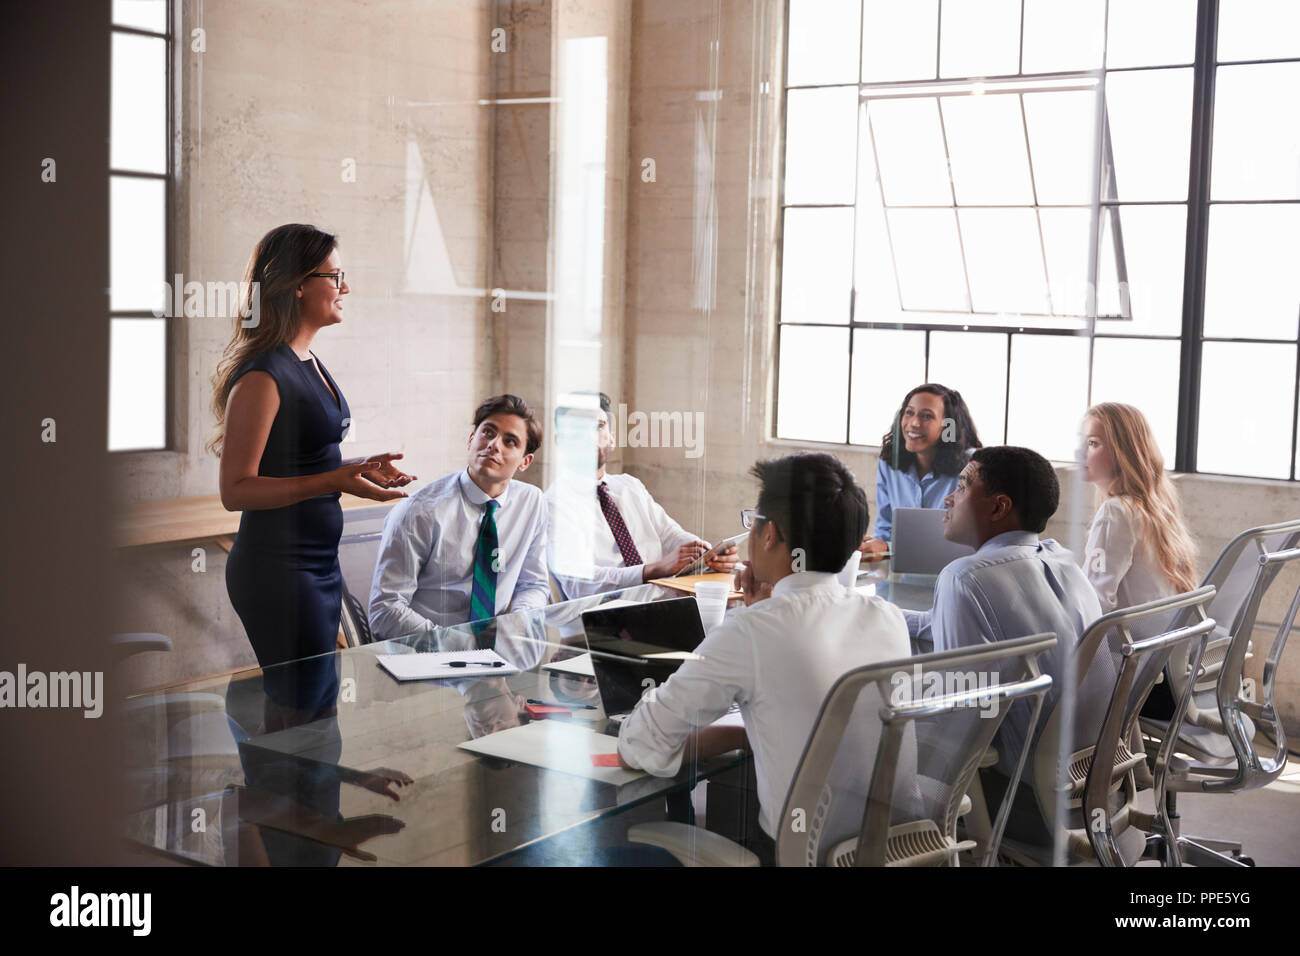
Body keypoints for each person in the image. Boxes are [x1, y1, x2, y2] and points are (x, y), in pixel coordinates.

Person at [617, 453, 911, 862]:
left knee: (621, 847)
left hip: (797, 853)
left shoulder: (753, 631)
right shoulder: (886, 616)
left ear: (769, 534)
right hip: (891, 849)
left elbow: (639, 744)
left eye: (751, 519)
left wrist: (754, 619)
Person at [214, 224, 415, 725]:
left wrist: (355, 467)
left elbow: (301, 459)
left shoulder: (308, 361)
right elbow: (235, 489)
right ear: (298, 284)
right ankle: (288, 800)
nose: (345, 287)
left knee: (315, 710)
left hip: (317, 566)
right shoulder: (263, 375)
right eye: (336, 275)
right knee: (303, 715)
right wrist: (334, 481)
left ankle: (316, 803)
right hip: (278, 572)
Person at [902, 447, 1105, 787]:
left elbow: (962, 711)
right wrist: (871, 612)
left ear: (998, 506)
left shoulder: (963, 577)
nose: (949, 499)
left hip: (1016, 786)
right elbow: (934, 626)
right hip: (1086, 772)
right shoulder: (1062, 561)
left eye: (963, 486)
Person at [369, 394, 550, 639]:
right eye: (488, 432)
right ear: (470, 440)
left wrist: (517, 623)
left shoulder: (531, 502)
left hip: (494, 653)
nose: (494, 445)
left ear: (525, 462)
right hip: (423, 653)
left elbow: (534, 585)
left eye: (510, 441)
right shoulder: (419, 510)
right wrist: (457, 644)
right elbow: (385, 611)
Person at [546, 392, 740, 600]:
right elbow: (580, 586)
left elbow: (670, 534)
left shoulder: (630, 486)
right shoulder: (553, 503)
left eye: (598, 426)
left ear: (611, 439)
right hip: (602, 619)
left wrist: (707, 554)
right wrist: (653, 569)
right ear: (560, 441)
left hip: (662, 601)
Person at [1081, 403, 1199, 719]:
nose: (1082, 452)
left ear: (1122, 453)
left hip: (1133, 686)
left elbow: (1093, 608)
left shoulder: (1116, 512)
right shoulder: (1155, 507)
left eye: (1093, 443)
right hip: (1167, 682)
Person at [860, 383, 982, 560]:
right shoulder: (889, 462)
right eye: (909, 413)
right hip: (900, 571)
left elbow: (971, 539)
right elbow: (885, 529)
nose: (914, 423)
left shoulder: (973, 465)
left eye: (927, 416)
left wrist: (888, 547)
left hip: (953, 570)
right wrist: (875, 547)